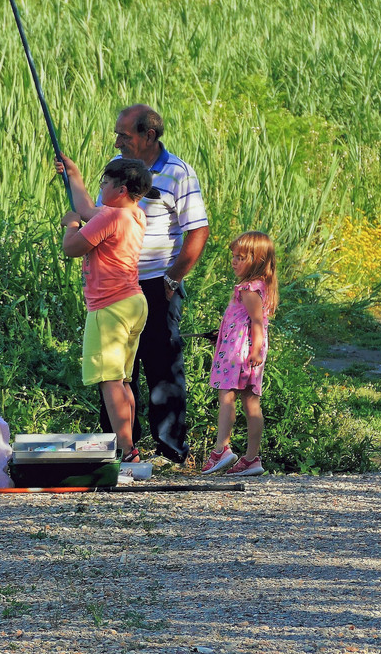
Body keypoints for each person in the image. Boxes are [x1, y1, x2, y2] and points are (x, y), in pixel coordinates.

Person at [111, 105, 208, 465]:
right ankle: (122, 449)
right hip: (116, 285)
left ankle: (170, 451)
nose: (118, 141)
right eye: (118, 134)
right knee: (117, 368)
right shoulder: (117, 167)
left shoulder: (178, 173)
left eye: (125, 134)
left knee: (162, 365)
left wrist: (172, 278)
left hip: (156, 284)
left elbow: (197, 231)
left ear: (148, 135)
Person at [55, 154, 154, 462]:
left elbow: (72, 247)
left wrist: (71, 224)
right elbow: (88, 208)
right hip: (134, 303)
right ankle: (131, 449)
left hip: (109, 306)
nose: (101, 188)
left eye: (105, 183)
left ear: (121, 189)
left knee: (110, 380)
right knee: (123, 380)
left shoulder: (111, 218)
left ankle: (127, 452)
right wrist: (74, 176)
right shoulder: (134, 215)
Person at [201, 231, 277, 478]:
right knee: (250, 401)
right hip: (245, 348)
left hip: (241, 352)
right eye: (234, 256)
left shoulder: (248, 288)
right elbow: (245, 321)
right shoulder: (259, 286)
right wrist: (222, 335)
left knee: (227, 396)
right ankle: (252, 458)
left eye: (241, 257)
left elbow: (256, 321)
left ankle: (221, 449)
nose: (234, 261)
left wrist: (253, 350)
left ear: (257, 260)